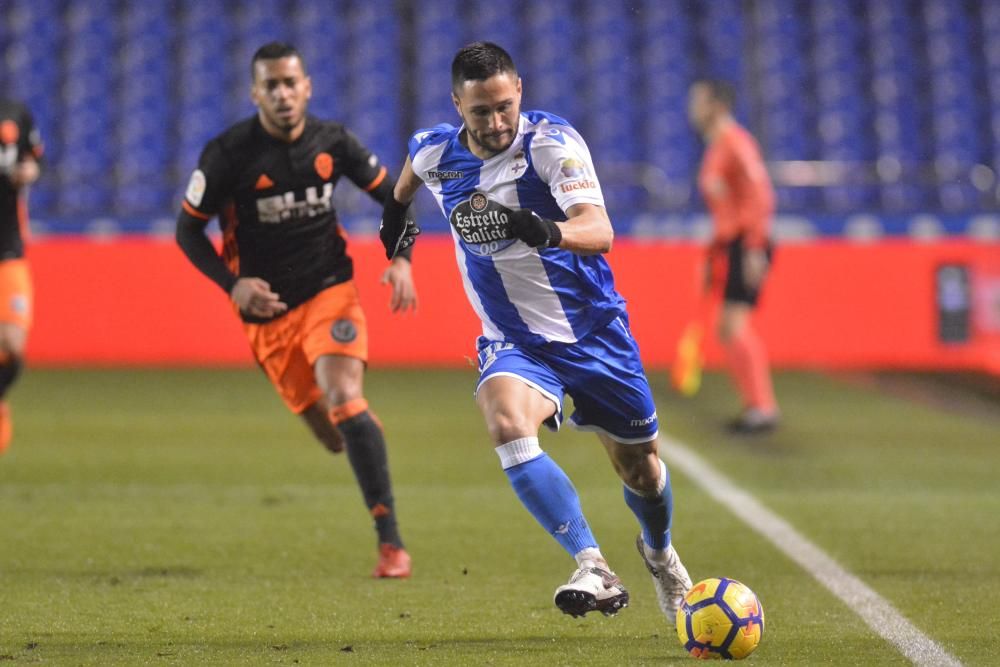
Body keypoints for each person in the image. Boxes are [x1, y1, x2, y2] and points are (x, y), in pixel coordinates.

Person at [379, 42, 691, 621]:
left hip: (593, 333)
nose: (496, 123)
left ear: (519, 89)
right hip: (513, 339)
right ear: (457, 105)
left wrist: (539, 227)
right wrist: (398, 257)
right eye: (480, 112)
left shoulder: (551, 145)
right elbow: (397, 202)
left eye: (504, 106)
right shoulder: (432, 154)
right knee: (505, 422)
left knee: (641, 471)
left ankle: (660, 554)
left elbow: (599, 232)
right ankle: (592, 563)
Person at [176, 42, 416, 578]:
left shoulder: (333, 142)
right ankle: (359, 436)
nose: (283, 94)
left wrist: (401, 259)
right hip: (266, 315)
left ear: (307, 85)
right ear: (255, 92)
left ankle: (391, 543)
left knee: (345, 398)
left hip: (330, 290)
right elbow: (188, 230)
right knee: (333, 436)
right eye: (272, 85)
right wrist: (231, 284)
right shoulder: (228, 154)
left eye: (291, 82)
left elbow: (396, 198)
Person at [688, 79, 779, 434]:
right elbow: (729, 205)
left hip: (748, 243)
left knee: (735, 325)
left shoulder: (736, 143)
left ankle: (762, 408)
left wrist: (755, 248)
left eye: (698, 101)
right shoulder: (717, 148)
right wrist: (713, 253)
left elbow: (761, 196)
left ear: (718, 106)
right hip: (733, 244)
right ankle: (757, 406)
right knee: (728, 326)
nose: (692, 109)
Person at [0, 98, 43, 455]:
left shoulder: (14, 112)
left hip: (8, 250)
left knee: (13, 345)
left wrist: (29, 171)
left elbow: (35, 159)